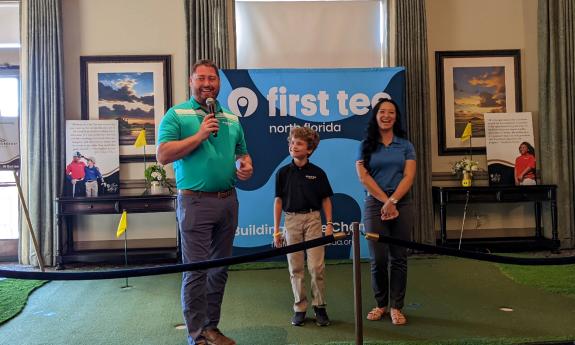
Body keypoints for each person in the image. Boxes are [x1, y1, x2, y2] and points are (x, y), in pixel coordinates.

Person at [157, 59, 253, 345]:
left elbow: (242, 155)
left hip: (227, 202)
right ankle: (197, 335)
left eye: (212, 78)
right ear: (191, 81)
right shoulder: (177, 115)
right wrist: (199, 134)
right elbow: (162, 155)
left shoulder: (232, 119)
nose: (207, 83)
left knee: (219, 269)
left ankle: (212, 327)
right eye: (201, 78)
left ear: (219, 83)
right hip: (195, 203)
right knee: (196, 270)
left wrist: (245, 166)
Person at [355, 98, 416, 326]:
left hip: (402, 203)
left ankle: (396, 307)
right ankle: (381, 304)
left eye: (391, 112)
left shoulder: (406, 145)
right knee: (378, 258)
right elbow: (363, 177)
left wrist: (393, 200)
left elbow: (409, 176)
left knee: (399, 258)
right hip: (374, 205)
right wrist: (385, 201)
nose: (387, 115)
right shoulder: (365, 145)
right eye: (382, 111)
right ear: (376, 115)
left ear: (396, 116)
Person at [273, 126, 334, 327]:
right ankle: (300, 307)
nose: (293, 146)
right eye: (291, 142)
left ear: (309, 149)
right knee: (295, 267)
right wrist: (276, 231)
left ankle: (320, 307)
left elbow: (326, 200)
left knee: (316, 267)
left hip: (313, 220)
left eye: (299, 143)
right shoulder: (282, 173)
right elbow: (278, 202)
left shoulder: (318, 173)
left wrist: (329, 225)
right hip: (291, 221)